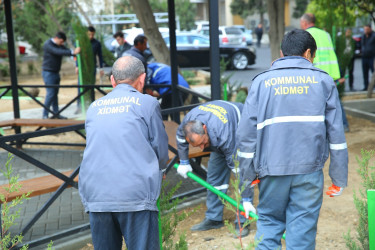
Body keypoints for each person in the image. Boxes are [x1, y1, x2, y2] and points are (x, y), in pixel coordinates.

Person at [237, 29, 348, 249]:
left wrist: (247, 179)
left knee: (268, 226)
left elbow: (246, 136)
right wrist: (339, 177)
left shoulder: (260, 82)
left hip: (271, 171)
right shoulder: (323, 81)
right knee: (303, 232)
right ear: (308, 53)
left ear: (282, 52)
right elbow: (336, 134)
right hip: (309, 171)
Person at [79, 56, 169, 250]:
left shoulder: (94, 108)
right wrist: (160, 169)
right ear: (142, 79)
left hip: (96, 195)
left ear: (112, 80)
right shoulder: (148, 104)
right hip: (135, 195)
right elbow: (161, 152)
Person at [176, 100, 254, 237]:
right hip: (219, 133)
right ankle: (214, 218)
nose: (202, 149)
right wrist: (183, 161)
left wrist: (246, 199)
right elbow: (180, 139)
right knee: (214, 178)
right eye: (197, 145)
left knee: (241, 177)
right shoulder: (187, 123)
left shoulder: (225, 137)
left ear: (204, 128)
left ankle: (243, 222)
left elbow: (242, 173)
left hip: (238, 130)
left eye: (203, 143)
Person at [300, 13, 349, 131]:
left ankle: (320, 127)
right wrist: (339, 75)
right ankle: (343, 125)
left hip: (314, 73)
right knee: (334, 101)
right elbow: (332, 54)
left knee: (315, 102)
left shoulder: (306, 35)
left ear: (305, 23)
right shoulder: (325, 34)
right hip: (330, 73)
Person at [42, 31, 80, 119]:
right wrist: (72, 52)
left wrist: (73, 53)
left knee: (55, 94)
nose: (62, 44)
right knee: (50, 94)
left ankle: (56, 113)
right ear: (57, 38)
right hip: (48, 72)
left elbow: (64, 50)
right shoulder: (48, 44)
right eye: (61, 41)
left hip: (55, 72)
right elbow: (58, 51)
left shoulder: (59, 45)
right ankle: (45, 115)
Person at [76, 26, 104, 113]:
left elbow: (100, 56)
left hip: (92, 69)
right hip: (82, 68)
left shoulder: (97, 43)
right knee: (80, 86)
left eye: (92, 34)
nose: (91, 36)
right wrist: (77, 66)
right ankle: (79, 106)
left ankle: (92, 106)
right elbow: (77, 55)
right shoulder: (81, 42)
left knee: (91, 87)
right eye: (89, 34)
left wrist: (101, 68)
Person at [360, 24, 375, 91]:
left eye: (367, 29)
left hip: (372, 57)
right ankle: (366, 87)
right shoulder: (363, 36)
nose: (365, 30)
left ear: (370, 29)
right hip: (364, 57)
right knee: (365, 73)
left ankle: (373, 87)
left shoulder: (374, 36)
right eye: (364, 29)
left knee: (373, 73)